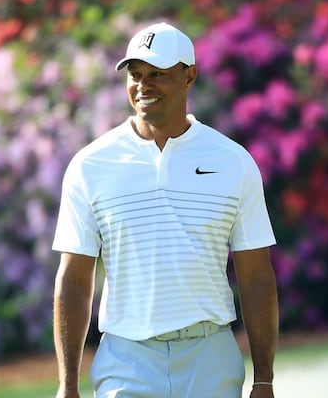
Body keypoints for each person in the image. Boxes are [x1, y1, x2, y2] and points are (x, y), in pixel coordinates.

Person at [52, 21, 279, 397]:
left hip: (210, 355)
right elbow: (74, 278)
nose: (144, 85)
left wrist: (265, 379)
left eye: (157, 74)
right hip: (126, 358)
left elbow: (256, 275)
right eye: (136, 74)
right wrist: (67, 384)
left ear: (190, 76)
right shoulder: (90, 166)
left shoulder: (233, 162)